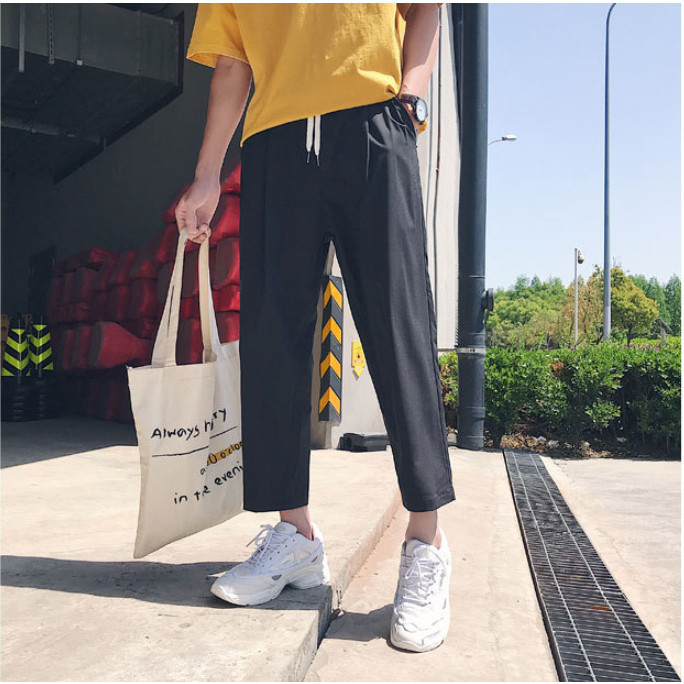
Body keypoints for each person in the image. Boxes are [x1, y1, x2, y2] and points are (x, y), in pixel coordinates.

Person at [176, 3, 455, 653]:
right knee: (272, 338)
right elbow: (232, 64)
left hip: (373, 121)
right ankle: (295, 535)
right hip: (274, 140)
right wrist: (208, 173)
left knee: (399, 327)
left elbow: (425, 8)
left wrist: (411, 100)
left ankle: (426, 538)